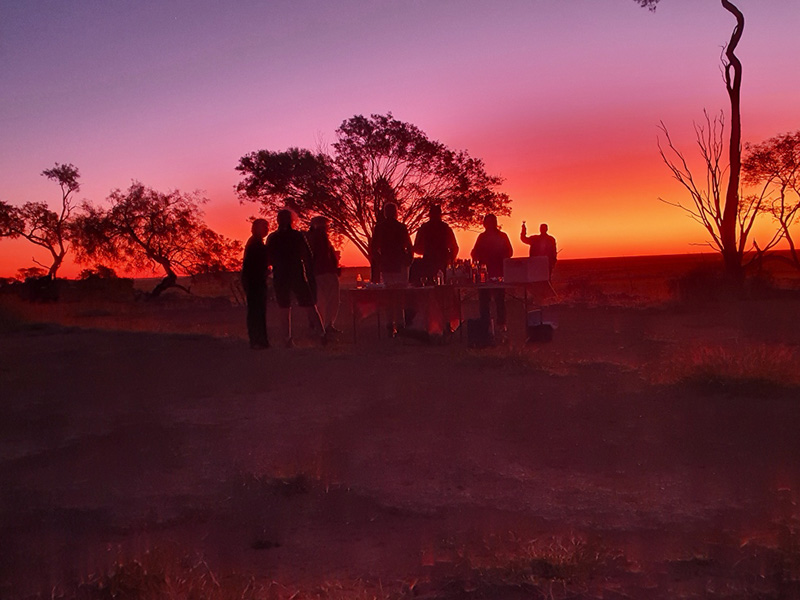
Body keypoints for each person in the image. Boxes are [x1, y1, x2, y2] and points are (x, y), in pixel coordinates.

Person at [266, 209, 325, 347]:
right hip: (296, 274)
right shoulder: (297, 236)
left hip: (281, 274)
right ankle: (321, 334)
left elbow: (267, 258)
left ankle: (288, 338)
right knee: (309, 305)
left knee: (285, 307)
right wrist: (310, 271)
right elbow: (307, 255)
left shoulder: (273, 237)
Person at [370, 203, 413, 335]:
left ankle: (390, 325)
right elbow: (409, 246)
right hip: (399, 265)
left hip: (387, 265)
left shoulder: (379, 228)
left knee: (388, 295)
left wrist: (380, 261)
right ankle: (400, 325)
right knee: (400, 296)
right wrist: (408, 260)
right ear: (396, 213)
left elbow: (373, 248)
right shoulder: (401, 227)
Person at [471, 214, 513, 331]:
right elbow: (475, 254)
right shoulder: (483, 237)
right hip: (485, 273)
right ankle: (488, 325)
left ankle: (498, 325)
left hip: (498, 273)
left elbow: (509, 252)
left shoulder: (501, 236)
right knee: (487, 300)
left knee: (497, 300)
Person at [306, 216, 341, 335]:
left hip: (322, 272)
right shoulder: (318, 237)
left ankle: (325, 325)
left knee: (326, 300)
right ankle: (325, 325)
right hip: (323, 272)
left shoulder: (311, 237)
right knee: (328, 300)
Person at [241, 218, 270, 349]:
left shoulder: (254, 243)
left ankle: (258, 340)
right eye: (265, 227)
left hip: (254, 281)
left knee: (256, 311)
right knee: (257, 311)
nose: (267, 230)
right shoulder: (255, 244)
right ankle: (258, 340)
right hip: (255, 282)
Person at [413, 204, 458, 283]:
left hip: (430, 263)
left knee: (430, 286)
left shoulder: (424, 228)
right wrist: (450, 260)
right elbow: (454, 248)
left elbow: (417, 248)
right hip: (440, 263)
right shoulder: (445, 228)